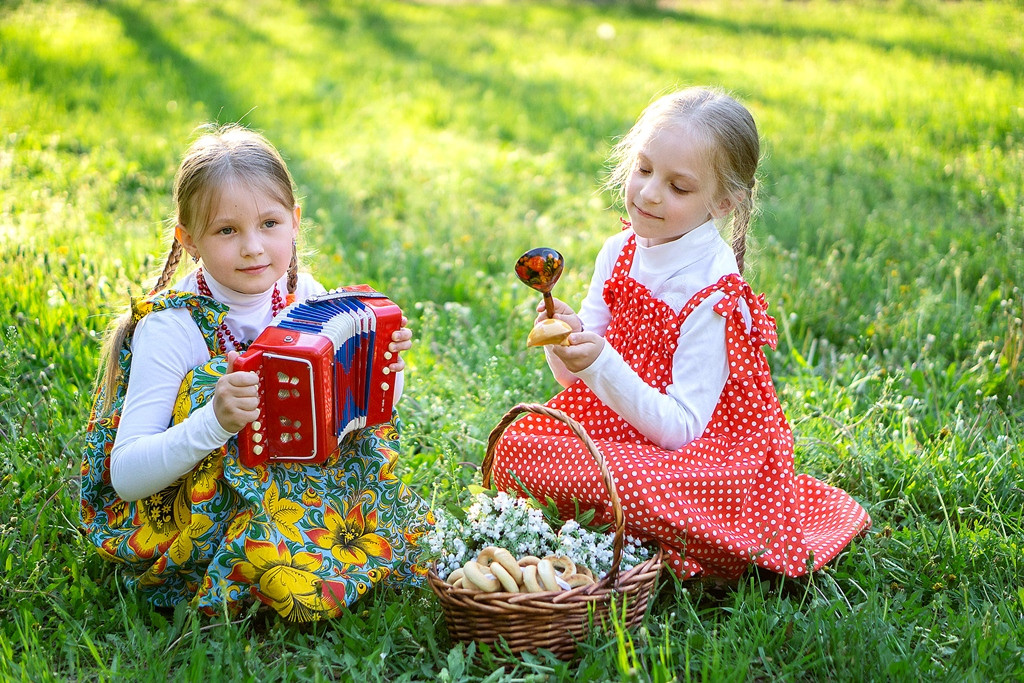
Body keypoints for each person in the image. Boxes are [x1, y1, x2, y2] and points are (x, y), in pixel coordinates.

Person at [490, 87, 870, 580]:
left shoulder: (712, 295)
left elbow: (681, 428)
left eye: (679, 187)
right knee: (515, 445)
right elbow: (574, 383)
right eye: (644, 169)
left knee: (632, 483)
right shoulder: (619, 252)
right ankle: (616, 525)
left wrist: (602, 362)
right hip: (616, 436)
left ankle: (640, 526)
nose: (649, 193)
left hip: (702, 458)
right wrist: (567, 340)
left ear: (723, 202)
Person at [80, 124, 431, 621]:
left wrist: (383, 369)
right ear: (190, 240)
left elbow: (357, 423)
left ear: (295, 221)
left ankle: (313, 546)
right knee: (213, 384)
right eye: (227, 230)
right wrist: (214, 421)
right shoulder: (173, 326)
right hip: (195, 509)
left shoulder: (307, 298)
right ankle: (262, 559)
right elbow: (127, 476)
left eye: (269, 223)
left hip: (295, 488)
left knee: (383, 526)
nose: (253, 247)